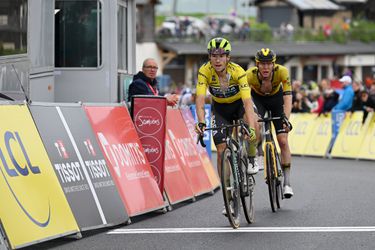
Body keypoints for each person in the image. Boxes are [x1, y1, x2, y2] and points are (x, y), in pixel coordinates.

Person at [194, 37, 259, 215]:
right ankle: (229, 197)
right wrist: (201, 121)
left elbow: (247, 102)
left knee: (254, 124)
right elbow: (199, 99)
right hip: (220, 109)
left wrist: (251, 128)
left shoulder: (238, 71)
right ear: (209, 57)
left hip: (239, 106)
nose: (217, 59)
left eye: (221, 55)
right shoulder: (204, 71)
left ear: (228, 57)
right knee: (221, 149)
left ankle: (252, 157)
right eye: (213, 55)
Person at [246, 48, 294, 198]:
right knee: (255, 123)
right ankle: (259, 151)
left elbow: (287, 98)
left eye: (269, 64)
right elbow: (246, 101)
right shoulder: (249, 75)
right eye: (262, 64)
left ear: (274, 65)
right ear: (257, 64)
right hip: (258, 100)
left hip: (276, 100)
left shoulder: (282, 72)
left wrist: (286, 118)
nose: (266, 67)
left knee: (283, 141)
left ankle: (287, 183)